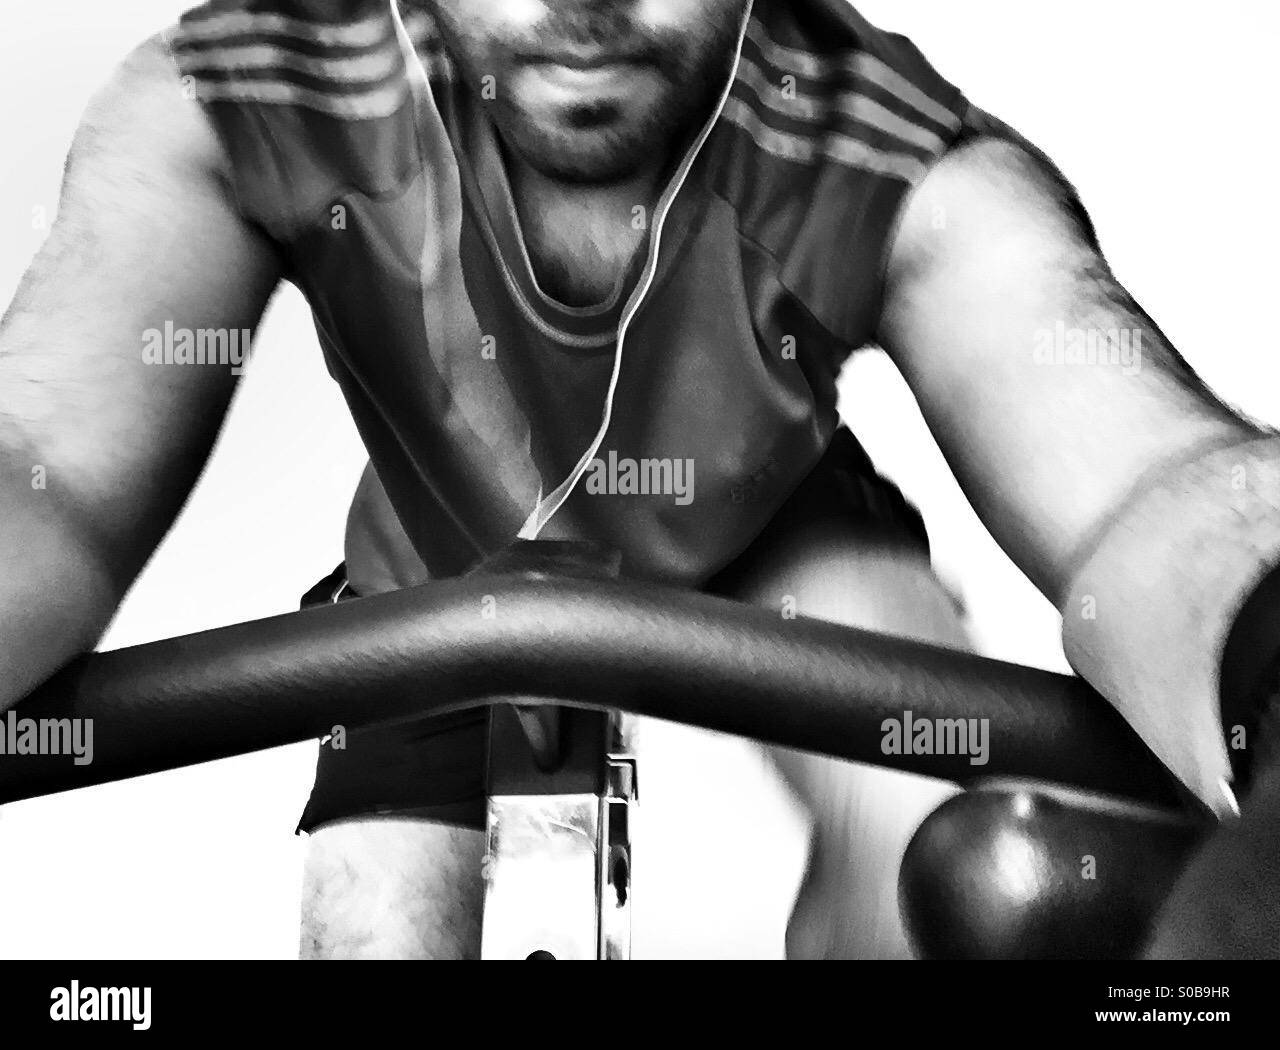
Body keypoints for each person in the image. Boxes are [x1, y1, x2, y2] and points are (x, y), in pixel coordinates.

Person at [1, 0, 1277, 959]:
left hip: (770, 534)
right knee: (373, 930)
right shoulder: (255, 89)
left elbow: (1147, 488)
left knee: (935, 859)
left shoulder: (875, 139)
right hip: (443, 566)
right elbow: (43, 472)